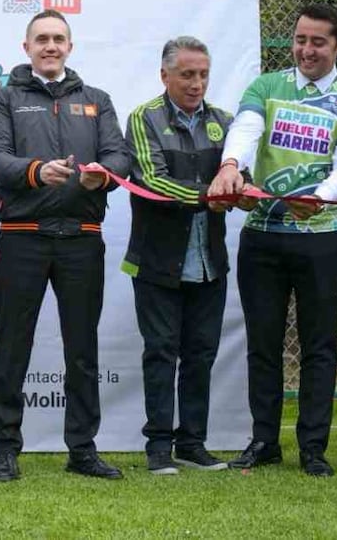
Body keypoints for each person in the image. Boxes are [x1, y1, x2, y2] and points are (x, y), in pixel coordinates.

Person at [208, 3, 337, 477]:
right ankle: (264, 441)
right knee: (263, 344)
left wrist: (321, 198)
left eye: (318, 42)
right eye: (301, 39)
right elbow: (245, 130)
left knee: (318, 346)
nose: (306, 50)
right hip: (262, 234)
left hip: (322, 238)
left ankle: (313, 448)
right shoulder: (267, 85)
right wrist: (231, 166)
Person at [0, 8, 130, 481]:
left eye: (58, 38)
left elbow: (119, 158)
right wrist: (35, 172)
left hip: (82, 242)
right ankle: (6, 449)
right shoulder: (3, 98)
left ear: (70, 46)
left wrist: (100, 177)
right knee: (11, 348)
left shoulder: (97, 100)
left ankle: (82, 449)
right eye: (41, 38)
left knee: (82, 349)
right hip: (22, 239)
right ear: (27, 47)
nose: (50, 46)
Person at [122, 37, 236, 475]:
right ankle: (157, 448)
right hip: (155, 261)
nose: (196, 83)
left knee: (201, 353)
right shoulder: (143, 118)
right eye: (187, 74)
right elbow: (152, 180)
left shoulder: (224, 121)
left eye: (203, 74)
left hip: (210, 261)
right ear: (164, 75)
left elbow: (238, 171)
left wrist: (239, 188)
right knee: (160, 352)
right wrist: (210, 195)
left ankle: (192, 443)